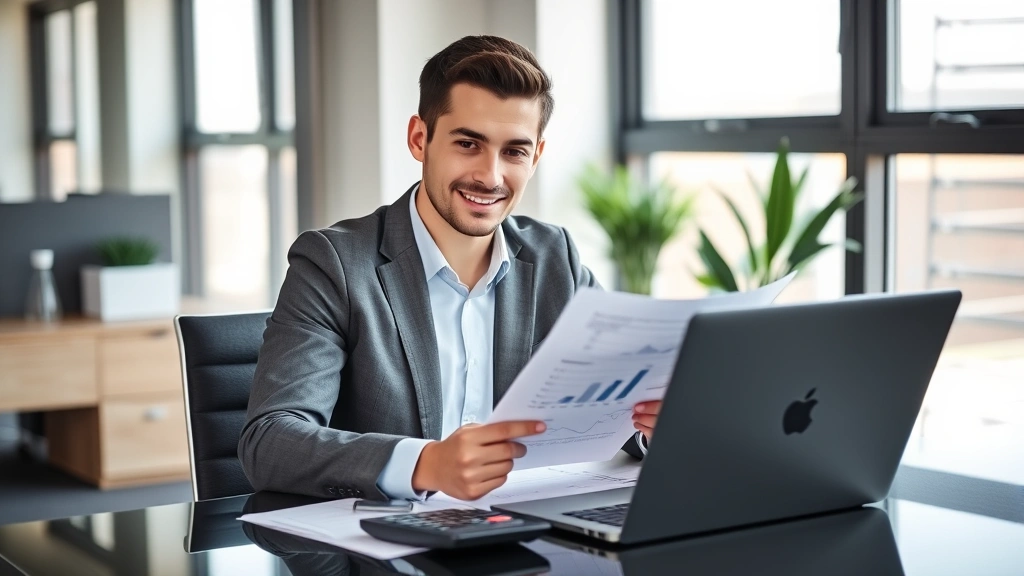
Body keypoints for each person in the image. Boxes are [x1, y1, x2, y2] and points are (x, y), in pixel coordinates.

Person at [239, 35, 661, 502]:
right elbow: (270, 441)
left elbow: (611, 407)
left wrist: (650, 427)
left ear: (536, 156)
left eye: (514, 152)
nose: (490, 176)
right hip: (385, 545)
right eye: (468, 143)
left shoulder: (553, 257)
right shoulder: (335, 264)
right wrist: (425, 464)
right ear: (420, 139)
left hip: (523, 531)